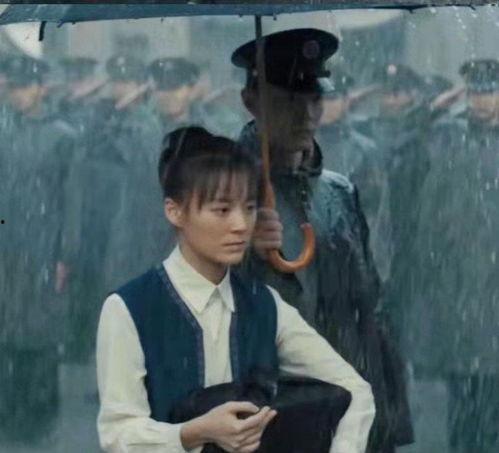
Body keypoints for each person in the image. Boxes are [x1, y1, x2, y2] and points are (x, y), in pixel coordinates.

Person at [96, 126, 375, 453]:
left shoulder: (264, 304)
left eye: (250, 208)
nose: (241, 225)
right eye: (222, 210)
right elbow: (118, 434)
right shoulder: (130, 309)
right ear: (175, 211)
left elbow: (355, 390)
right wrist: (191, 433)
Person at [233, 29, 413, 452]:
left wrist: (387, 416)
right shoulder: (223, 190)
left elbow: (369, 311)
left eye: (315, 99)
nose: (306, 114)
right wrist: (240, 248)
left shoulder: (339, 193)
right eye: (288, 101)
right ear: (251, 100)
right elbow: (189, 291)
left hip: (344, 402)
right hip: (269, 405)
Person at [408, 59, 499, 453]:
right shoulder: (448, 139)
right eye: (475, 92)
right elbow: (404, 150)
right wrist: (432, 109)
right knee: (463, 406)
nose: (482, 101)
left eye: (489, 91)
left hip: (492, 289)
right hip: (460, 290)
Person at [0, 55, 76, 443]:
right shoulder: (4, 131)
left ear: (42, 88)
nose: (18, 94)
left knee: (40, 338)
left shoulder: (62, 136)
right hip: (7, 251)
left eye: (25, 87)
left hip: (45, 252)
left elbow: (73, 200)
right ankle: (9, 416)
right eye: (12, 87)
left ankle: (40, 422)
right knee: (7, 336)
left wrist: (65, 254)